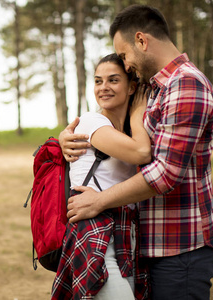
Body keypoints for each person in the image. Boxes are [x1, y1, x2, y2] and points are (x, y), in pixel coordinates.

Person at [59, 4, 213, 300]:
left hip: (182, 245)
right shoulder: (158, 88)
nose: (126, 64)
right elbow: (117, 130)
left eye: (124, 56)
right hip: (150, 244)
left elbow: (163, 175)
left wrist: (98, 201)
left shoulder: (186, 85)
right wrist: (65, 138)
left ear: (142, 41)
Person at [51, 53, 151, 300]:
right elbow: (141, 153)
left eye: (113, 80)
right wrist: (138, 112)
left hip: (125, 234)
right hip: (96, 232)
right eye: (98, 81)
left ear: (132, 87)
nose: (103, 87)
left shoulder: (126, 131)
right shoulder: (90, 121)